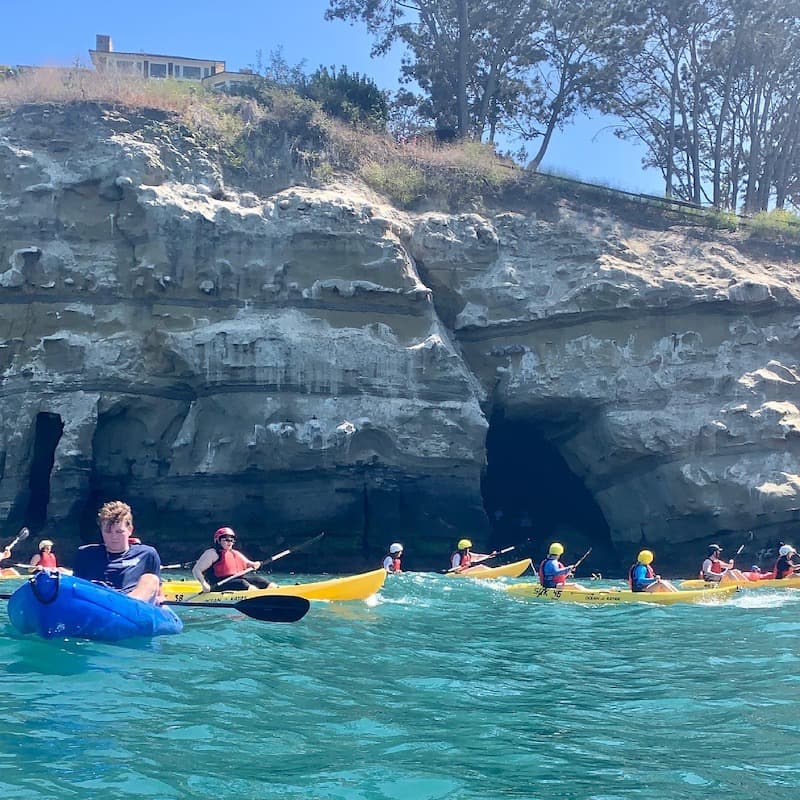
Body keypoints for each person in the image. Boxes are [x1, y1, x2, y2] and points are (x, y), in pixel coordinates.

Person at [72, 500, 162, 604]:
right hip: (98, 603)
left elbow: (158, 591)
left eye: (119, 532)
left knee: (150, 578)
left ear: (130, 529)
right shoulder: (85, 554)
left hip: (134, 607)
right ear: (101, 530)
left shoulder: (147, 554)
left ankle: (126, 605)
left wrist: (160, 599)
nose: (114, 537)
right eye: (108, 532)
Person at [192, 527, 275, 592]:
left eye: (232, 540)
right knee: (241, 583)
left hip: (234, 581)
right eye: (227, 540)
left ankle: (276, 590)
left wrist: (255, 564)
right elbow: (196, 570)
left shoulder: (235, 553)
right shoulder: (212, 553)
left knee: (259, 580)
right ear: (218, 541)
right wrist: (204, 584)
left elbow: (249, 564)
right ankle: (257, 596)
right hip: (218, 584)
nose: (230, 542)